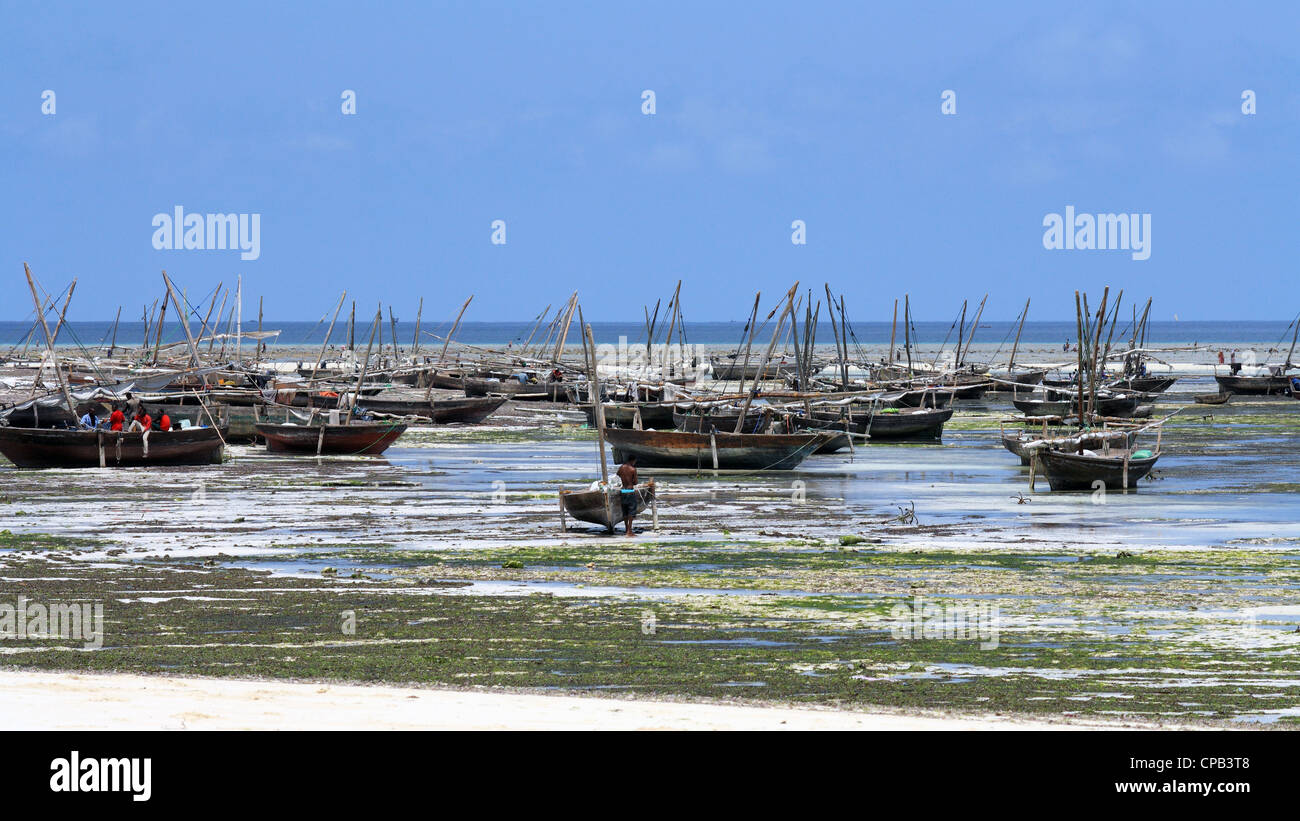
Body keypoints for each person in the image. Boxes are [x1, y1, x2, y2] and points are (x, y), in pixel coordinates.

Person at [615, 455, 639, 537]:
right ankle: (629, 531)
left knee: (625, 511)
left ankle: (626, 529)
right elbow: (635, 482)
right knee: (631, 511)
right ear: (633, 460)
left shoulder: (621, 468)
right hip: (630, 490)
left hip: (623, 490)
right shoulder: (633, 469)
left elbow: (617, 475)